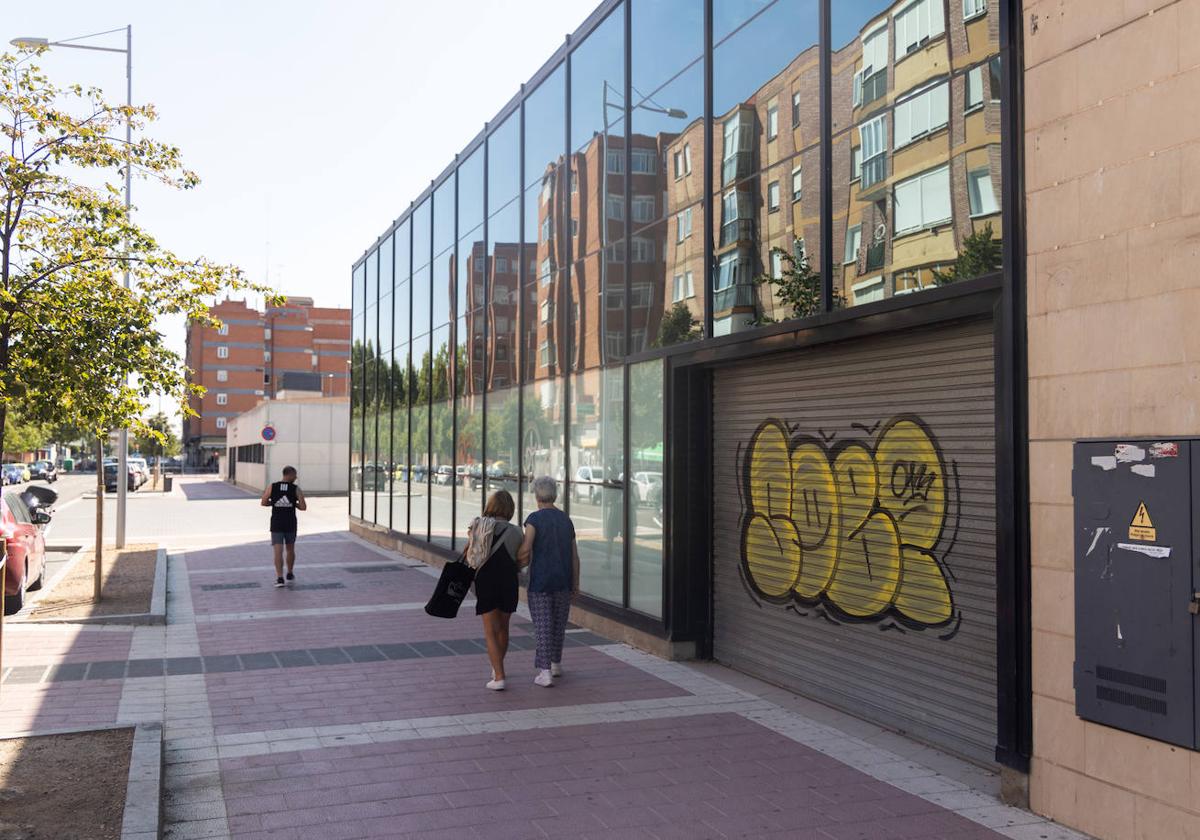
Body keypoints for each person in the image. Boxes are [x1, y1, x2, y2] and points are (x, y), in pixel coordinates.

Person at [517, 476, 579, 687]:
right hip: (563, 580)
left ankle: (545, 672)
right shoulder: (565, 520)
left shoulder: (534, 519)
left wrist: (517, 566)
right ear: (555, 494)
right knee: (558, 624)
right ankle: (556, 663)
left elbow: (525, 550)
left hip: (541, 581)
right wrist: (575, 583)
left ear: (536, 495)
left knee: (543, 625)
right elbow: (574, 555)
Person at [464, 490, 521, 690]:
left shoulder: (479, 527)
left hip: (486, 580)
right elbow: (521, 559)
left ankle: (499, 676)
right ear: (509, 509)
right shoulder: (516, 532)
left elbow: (470, 555)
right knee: (504, 628)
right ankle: (498, 667)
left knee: (490, 630)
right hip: (508, 581)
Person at [260, 466, 307, 588]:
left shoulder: (272, 486)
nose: (296, 477)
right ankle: (290, 573)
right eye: (295, 475)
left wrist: (275, 503)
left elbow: (263, 502)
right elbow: (303, 507)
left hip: (276, 523)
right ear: (289, 475)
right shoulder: (296, 489)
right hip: (290, 523)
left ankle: (280, 578)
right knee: (290, 549)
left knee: (278, 551)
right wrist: (293, 504)